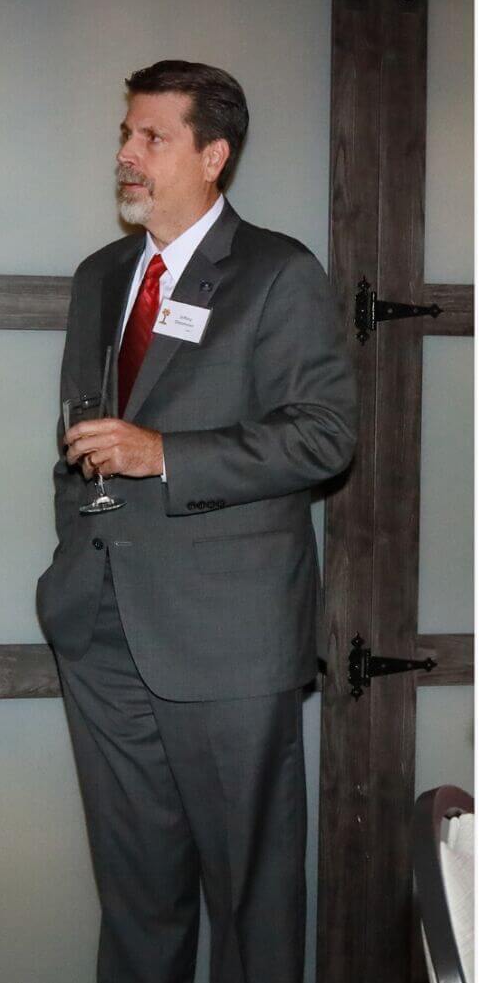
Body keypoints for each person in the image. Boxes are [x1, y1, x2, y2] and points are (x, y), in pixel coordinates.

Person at [36, 60, 357, 983]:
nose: (127, 155)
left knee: (253, 906)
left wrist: (164, 453)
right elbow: (77, 437)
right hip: (101, 632)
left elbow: (325, 435)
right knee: (136, 901)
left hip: (228, 642)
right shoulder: (101, 277)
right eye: (125, 134)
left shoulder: (277, 273)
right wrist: (73, 554)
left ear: (213, 156)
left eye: (153, 137)